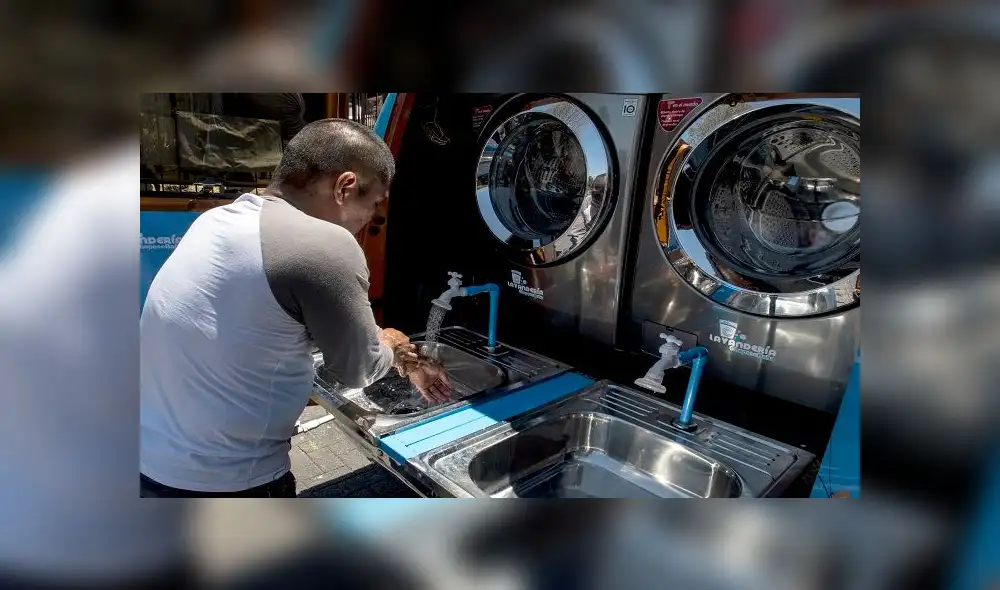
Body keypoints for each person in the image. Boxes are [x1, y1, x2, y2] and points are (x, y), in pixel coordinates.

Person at [140, 118, 452, 498]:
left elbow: (268, 322)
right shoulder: (325, 245)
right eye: (373, 204)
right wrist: (395, 345)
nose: (372, 219)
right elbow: (356, 370)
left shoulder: (217, 219)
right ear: (345, 187)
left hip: (151, 463)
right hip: (230, 482)